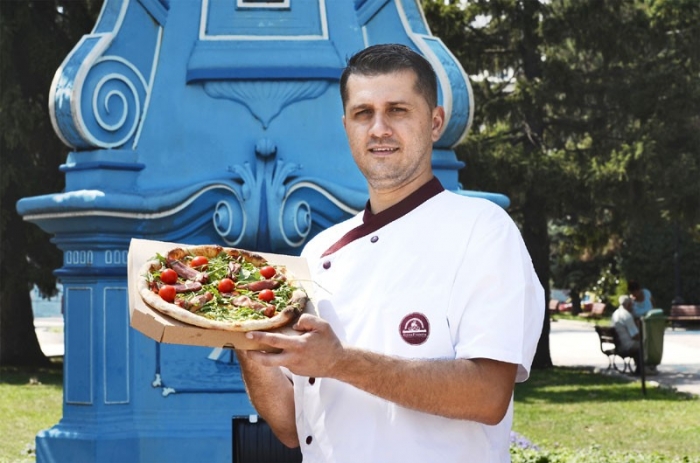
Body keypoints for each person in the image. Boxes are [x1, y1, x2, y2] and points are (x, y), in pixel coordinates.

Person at [235, 43, 544, 462]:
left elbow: (488, 395)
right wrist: (243, 336)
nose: (379, 128)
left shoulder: (483, 230)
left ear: (435, 122)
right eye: (363, 113)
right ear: (347, 126)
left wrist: (339, 362)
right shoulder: (319, 251)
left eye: (397, 110)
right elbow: (292, 426)